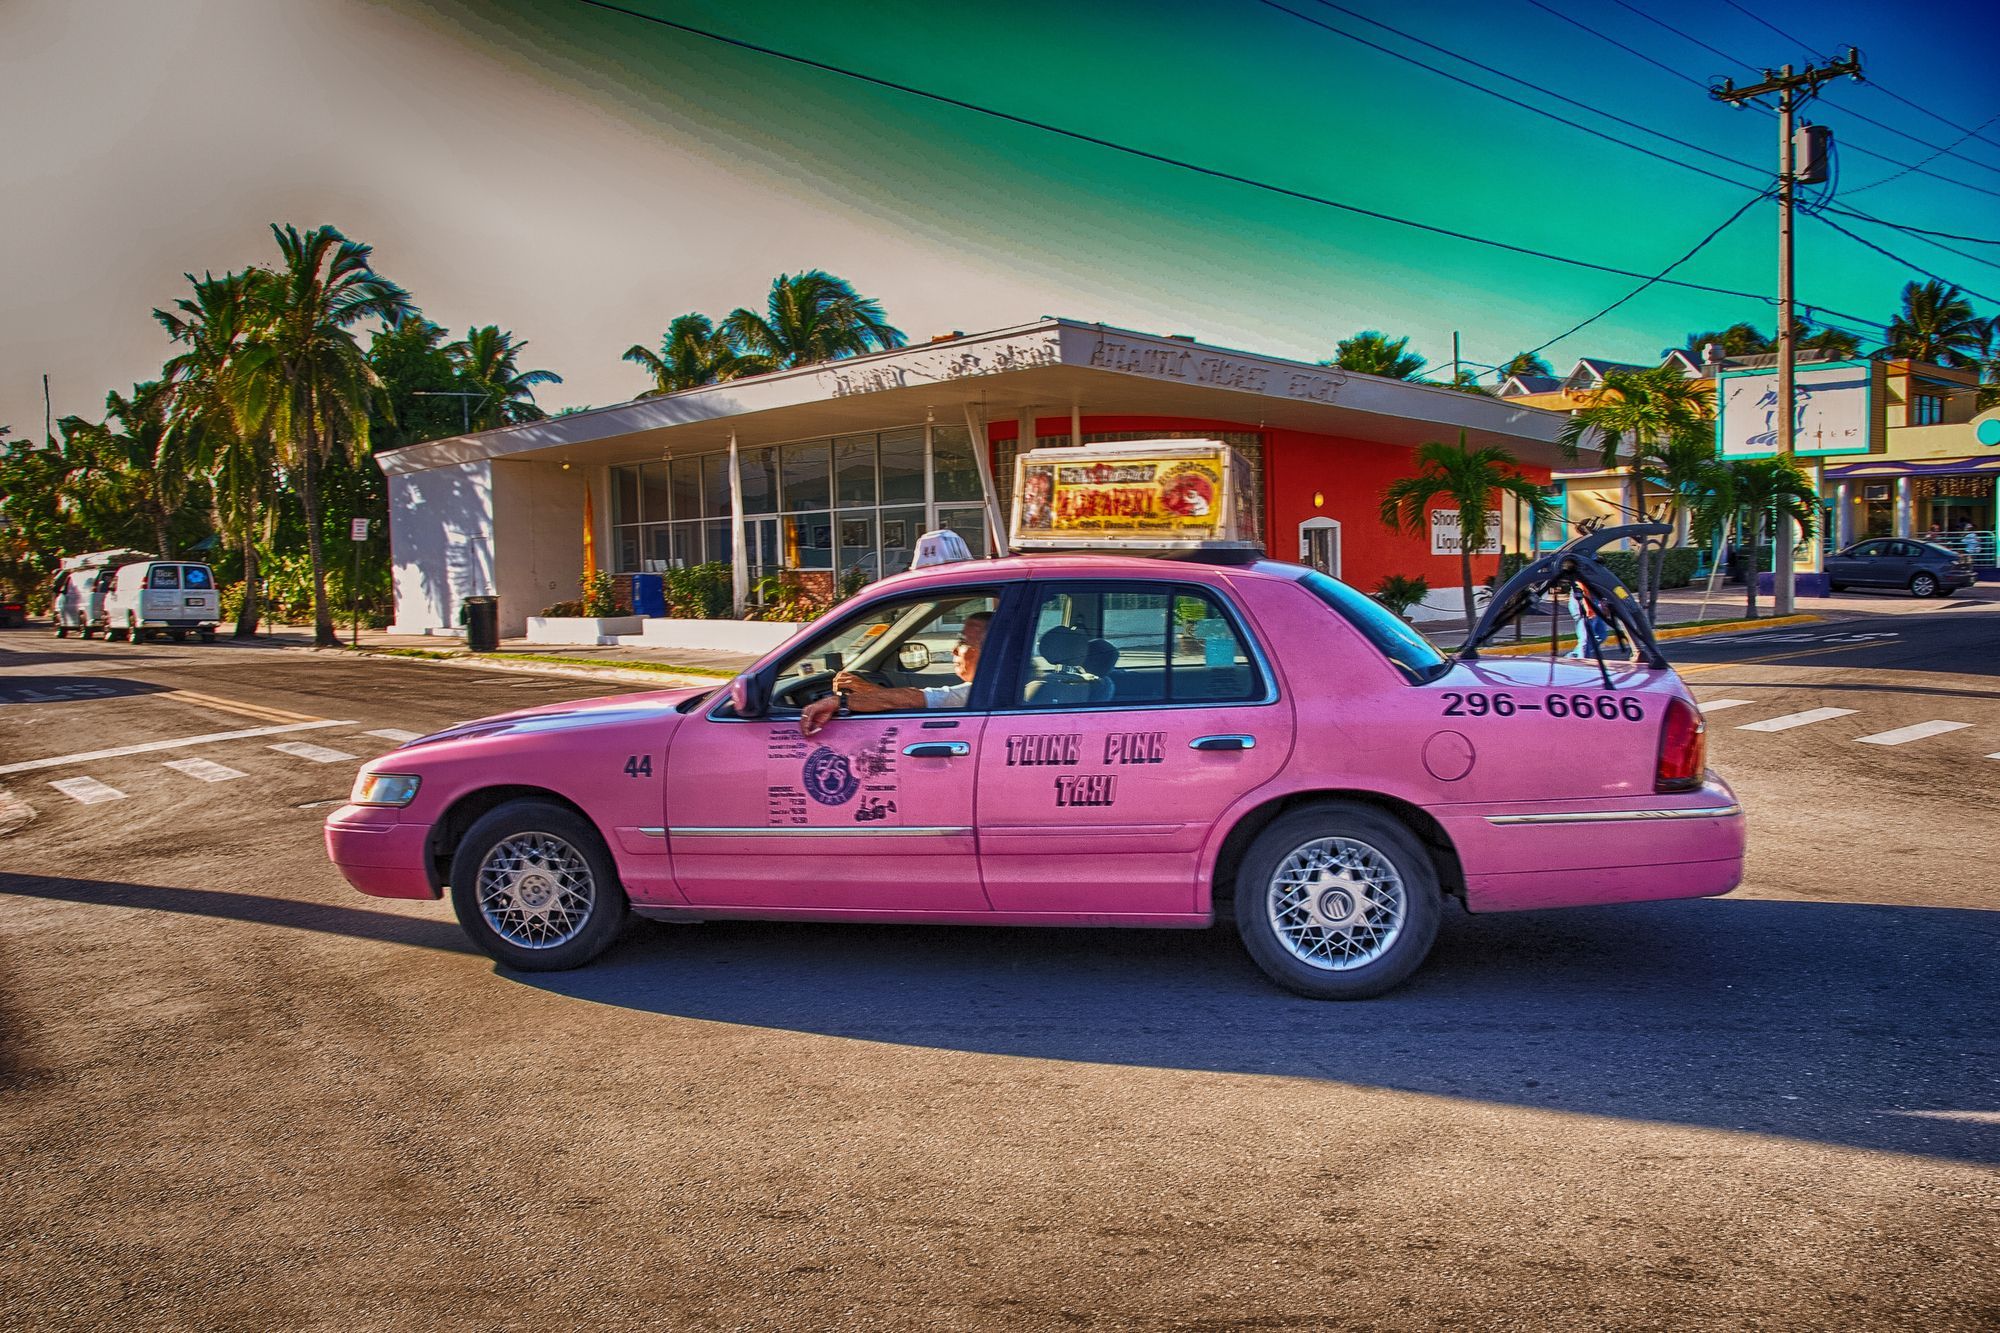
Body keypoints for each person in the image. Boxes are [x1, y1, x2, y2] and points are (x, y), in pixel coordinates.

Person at [799, 611, 991, 736]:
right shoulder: (998, 687)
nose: (954, 650)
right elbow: (907, 698)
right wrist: (867, 689)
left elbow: (915, 699)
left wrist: (838, 702)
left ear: (992, 651)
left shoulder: (982, 692)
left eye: (963, 642)